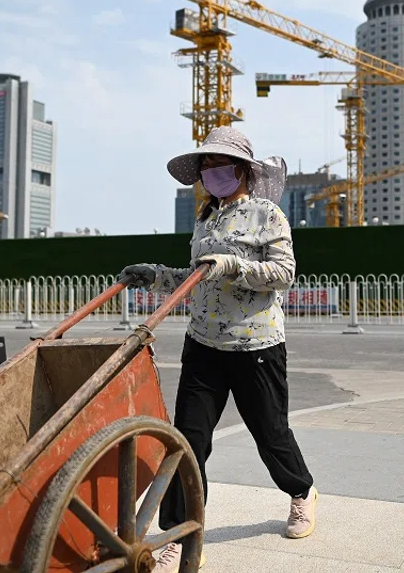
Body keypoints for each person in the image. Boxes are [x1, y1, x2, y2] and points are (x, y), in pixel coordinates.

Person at [120, 127, 317, 572]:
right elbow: (194, 279)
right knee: (188, 444)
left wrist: (232, 264)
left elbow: (283, 273)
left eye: (218, 164)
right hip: (203, 346)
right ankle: (184, 533)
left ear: (242, 170)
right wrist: (154, 275)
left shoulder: (268, 215)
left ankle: (302, 493)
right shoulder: (206, 220)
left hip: (257, 346)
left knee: (271, 435)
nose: (210, 172)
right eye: (205, 166)